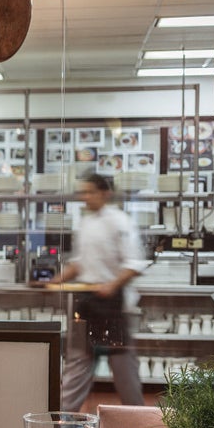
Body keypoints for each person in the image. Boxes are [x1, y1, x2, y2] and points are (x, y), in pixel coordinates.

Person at [47, 173, 147, 412]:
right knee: (77, 365)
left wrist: (112, 285)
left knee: (123, 369)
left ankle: (138, 420)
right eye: (83, 192)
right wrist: (56, 280)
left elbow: (135, 263)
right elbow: (80, 263)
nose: (85, 197)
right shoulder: (85, 223)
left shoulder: (120, 221)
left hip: (112, 302)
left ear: (105, 193)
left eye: (90, 192)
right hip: (86, 301)